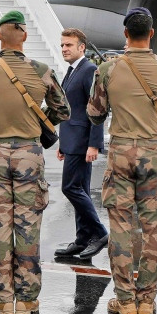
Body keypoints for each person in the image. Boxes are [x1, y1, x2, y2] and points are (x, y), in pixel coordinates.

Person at [87, 7, 157, 314]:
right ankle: (146, 300)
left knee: (121, 229)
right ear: (151, 34)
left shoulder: (108, 69)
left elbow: (94, 114)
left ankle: (125, 299)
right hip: (152, 152)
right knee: (152, 229)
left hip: (121, 152)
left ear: (126, 34)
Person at [0, 11, 69, 314]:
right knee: (28, 226)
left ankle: (1, 298)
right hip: (29, 154)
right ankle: (26, 300)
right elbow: (64, 110)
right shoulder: (42, 71)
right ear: (24, 36)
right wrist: (38, 114)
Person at [54, 28, 108, 261]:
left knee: (71, 188)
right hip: (72, 141)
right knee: (81, 190)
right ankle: (83, 239)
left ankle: (100, 233)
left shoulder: (89, 70)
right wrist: (63, 143)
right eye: (63, 45)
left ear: (81, 48)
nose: (64, 49)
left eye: (69, 45)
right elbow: (72, 110)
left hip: (83, 142)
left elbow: (97, 109)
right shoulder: (72, 70)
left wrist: (94, 144)